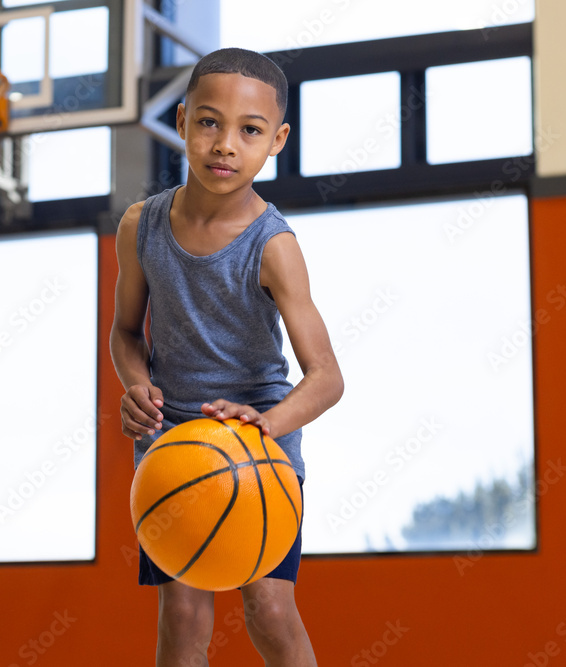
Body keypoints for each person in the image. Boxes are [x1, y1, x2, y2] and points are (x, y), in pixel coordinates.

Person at [110, 47, 344, 667]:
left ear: (277, 141)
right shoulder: (139, 226)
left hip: (259, 436)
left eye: (250, 130)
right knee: (182, 618)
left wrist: (267, 424)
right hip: (174, 439)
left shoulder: (275, 246)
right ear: (182, 121)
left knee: (270, 609)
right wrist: (136, 385)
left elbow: (327, 378)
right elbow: (125, 333)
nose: (225, 145)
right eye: (209, 122)